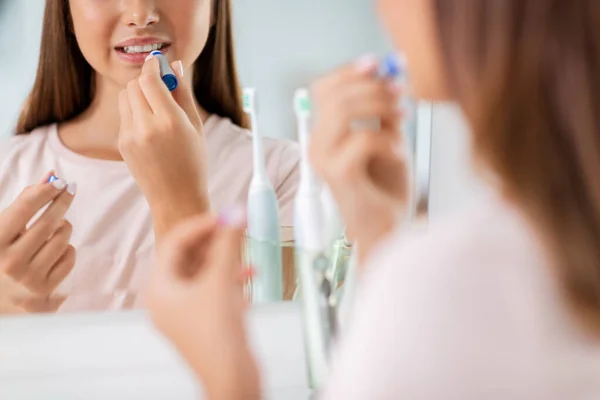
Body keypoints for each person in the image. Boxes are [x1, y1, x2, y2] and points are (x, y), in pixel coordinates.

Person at [145, 0, 600, 398]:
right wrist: (378, 234)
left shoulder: (455, 278)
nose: (381, 7)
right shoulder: (504, 261)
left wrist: (229, 383)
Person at [0, 0, 300, 314]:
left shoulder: (282, 174)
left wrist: (180, 201)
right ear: (65, 12)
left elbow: (265, 351)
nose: (141, 15)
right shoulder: (7, 170)